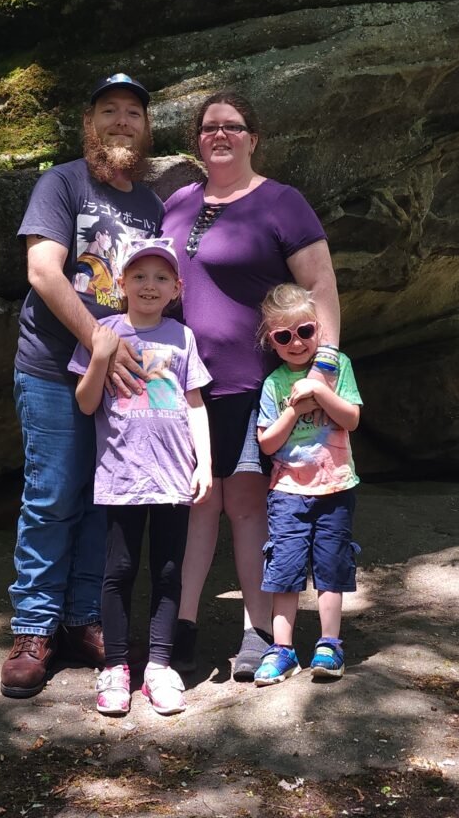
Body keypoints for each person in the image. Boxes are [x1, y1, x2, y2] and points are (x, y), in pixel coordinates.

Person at [161, 90, 340, 679]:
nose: (220, 135)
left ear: (253, 137)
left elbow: (321, 288)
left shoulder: (281, 203)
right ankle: (181, 625)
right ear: (197, 139)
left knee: (243, 503)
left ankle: (258, 631)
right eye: (209, 127)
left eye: (233, 127)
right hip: (184, 385)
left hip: (252, 382)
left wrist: (322, 368)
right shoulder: (180, 202)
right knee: (195, 501)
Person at [1, 73, 164, 699]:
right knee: (53, 496)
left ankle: (82, 619)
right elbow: (43, 270)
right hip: (50, 367)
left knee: (106, 500)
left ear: (146, 129)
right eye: (109, 111)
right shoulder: (61, 183)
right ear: (88, 122)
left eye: (132, 113)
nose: (121, 121)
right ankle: (33, 628)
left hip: (124, 376)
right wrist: (97, 337)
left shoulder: (150, 205)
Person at [69, 238, 212, 716]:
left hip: (173, 474)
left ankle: (159, 667)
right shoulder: (104, 330)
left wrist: (205, 464)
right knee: (120, 571)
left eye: (160, 278)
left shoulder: (182, 337)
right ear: (122, 284)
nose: (149, 285)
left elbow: (194, 404)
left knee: (168, 571)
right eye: (139, 276)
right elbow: (87, 403)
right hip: (122, 474)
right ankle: (115, 667)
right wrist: (99, 354)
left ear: (176, 288)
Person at [254, 283, 362, 684]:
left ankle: (329, 643)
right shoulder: (274, 385)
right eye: (284, 336)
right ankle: (282, 650)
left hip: (335, 487)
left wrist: (319, 389)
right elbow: (267, 443)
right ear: (272, 341)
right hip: (287, 492)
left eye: (305, 331)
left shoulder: (339, 368)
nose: (296, 342)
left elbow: (350, 419)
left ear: (318, 330)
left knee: (331, 567)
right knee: (284, 568)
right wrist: (295, 409)